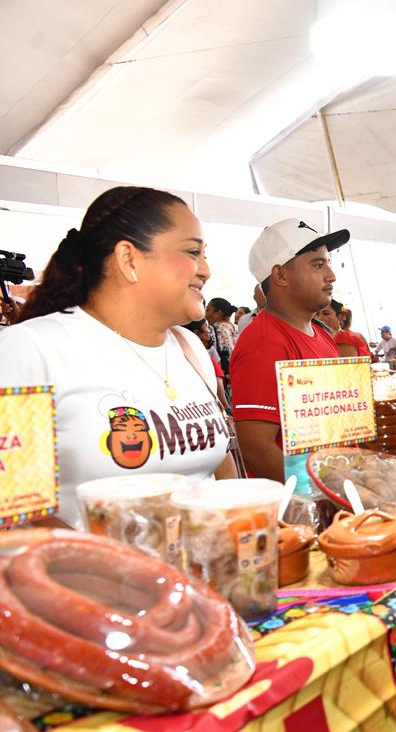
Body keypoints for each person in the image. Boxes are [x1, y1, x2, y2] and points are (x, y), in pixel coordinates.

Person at [0, 186, 234, 528]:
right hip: (88, 579)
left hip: (208, 575)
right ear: (129, 259)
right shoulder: (32, 348)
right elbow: (14, 511)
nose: (206, 270)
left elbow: (220, 472)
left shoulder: (188, 347)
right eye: (192, 252)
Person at [229, 218, 348, 482]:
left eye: (329, 263)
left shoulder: (322, 335)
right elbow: (256, 449)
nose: (331, 276)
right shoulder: (264, 342)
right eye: (318, 265)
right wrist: (320, 491)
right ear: (281, 275)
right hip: (305, 509)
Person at [205, 296, 236, 376]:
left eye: (207, 310)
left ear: (218, 313)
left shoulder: (214, 328)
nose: (205, 313)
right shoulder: (233, 327)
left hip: (223, 374)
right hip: (234, 373)